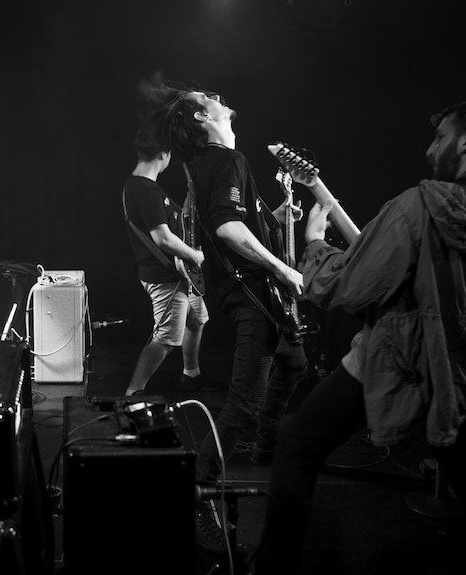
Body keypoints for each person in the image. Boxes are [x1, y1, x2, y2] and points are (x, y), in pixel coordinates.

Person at [250, 99, 466, 574]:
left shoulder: (425, 203)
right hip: (462, 373)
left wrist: (312, 243)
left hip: (397, 358)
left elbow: (349, 285)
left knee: (297, 445)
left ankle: (273, 566)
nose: (430, 148)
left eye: (440, 137)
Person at [152, 82, 309, 555]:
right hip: (253, 296)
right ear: (201, 118)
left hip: (246, 294)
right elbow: (226, 227)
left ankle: (263, 446)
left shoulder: (213, 166)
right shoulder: (227, 161)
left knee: (294, 363)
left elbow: (242, 223)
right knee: (242, 404)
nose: (218, 97)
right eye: (208, 97)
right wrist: (284, 268)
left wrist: (280, 212)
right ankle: (196, 496)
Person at [122, 119, 223, 396]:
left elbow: (173, 219)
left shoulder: (141, 186)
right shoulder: (145, 190)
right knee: (166, 338)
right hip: (167, 276)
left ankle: (191, 375)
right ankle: (134, 392)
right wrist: (195, 255)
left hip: (180, 273)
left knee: (197, 320)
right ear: (163, 154)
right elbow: (162, 238)